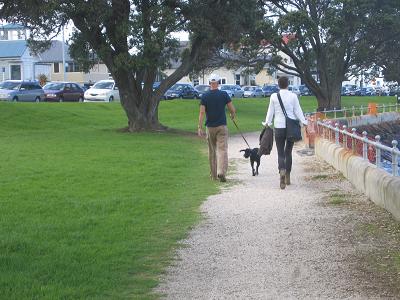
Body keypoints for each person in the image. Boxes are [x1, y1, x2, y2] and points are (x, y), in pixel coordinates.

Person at [262, 76, 307, 189]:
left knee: (280, 152)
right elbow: (298, 110)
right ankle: (287, 176)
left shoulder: (274, 96)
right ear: (288, 84)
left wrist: (267, 122)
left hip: (279, 126)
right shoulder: (293, 96)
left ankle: (281, 170)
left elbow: (270, 112)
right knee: (288, 152)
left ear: (278, 84)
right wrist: (303, 121)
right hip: (291, 127)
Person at [198, 74, 236, 182]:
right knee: (222, 149)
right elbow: (232, 109)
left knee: (212, 151)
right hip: (222, 126)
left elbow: (202, 112)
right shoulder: (224, 94)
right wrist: (232, 115)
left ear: (210, 83)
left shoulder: (205, 96)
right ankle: (221, 172)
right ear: (218, 83)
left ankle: (214, 175)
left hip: (210, 127)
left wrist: (199, 127)